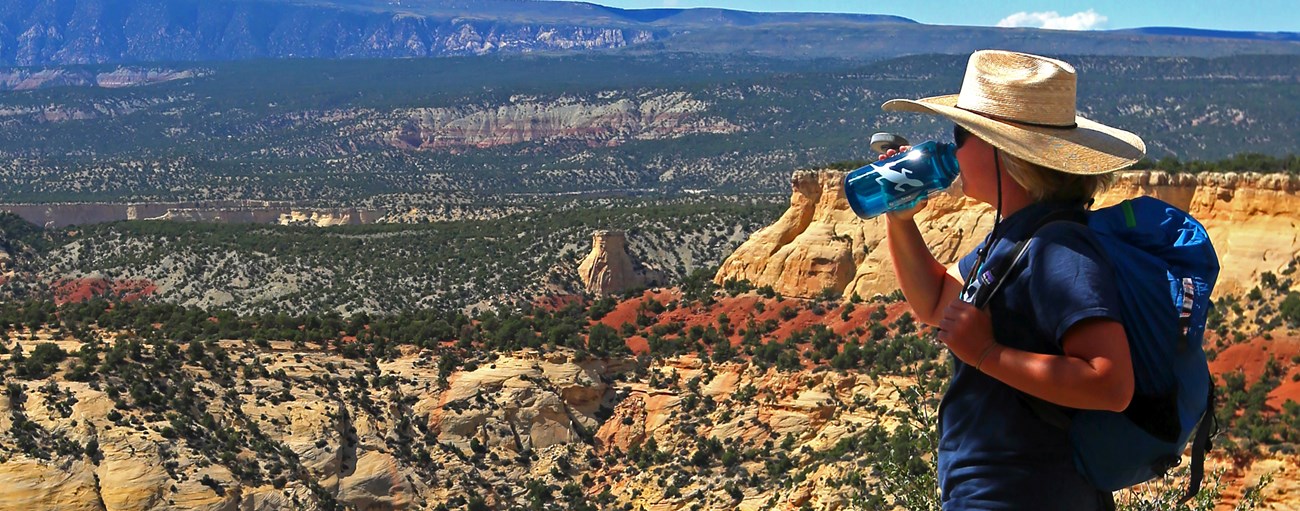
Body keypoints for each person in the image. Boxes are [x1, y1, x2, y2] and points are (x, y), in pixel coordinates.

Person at [881, 50, 1146, 510]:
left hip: (1026, 492)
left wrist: (987, 354)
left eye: (962, 134)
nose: (951, 147)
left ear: (1003, 152)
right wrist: (900, 218)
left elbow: (1111, 385)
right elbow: (937, 304)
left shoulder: (1059, 250)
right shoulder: (1017, 236)